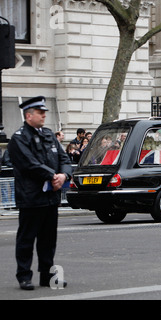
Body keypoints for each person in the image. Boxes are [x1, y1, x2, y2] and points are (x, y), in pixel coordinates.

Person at [7, 96, 72, 290]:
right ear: (28, 115)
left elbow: (64, 158)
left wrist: (64, 175)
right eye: (40, 112)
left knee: (48, 240)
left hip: (50, 197)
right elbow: (29, 164)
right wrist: (54, 176)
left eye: (44, 112)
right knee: (26, 239)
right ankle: (24, 276)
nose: (44, 115)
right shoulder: (19, 138)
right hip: (31, 198)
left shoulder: (49, 134)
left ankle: (47, 275)